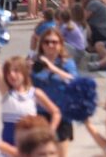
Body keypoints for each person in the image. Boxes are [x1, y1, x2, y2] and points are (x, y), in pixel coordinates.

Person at [0, 52, 60, 146]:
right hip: (9, 144)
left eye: (16, 71)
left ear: (24, 72)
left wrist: (50, 131)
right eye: (8, 72)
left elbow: (56, 112)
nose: (12, 75)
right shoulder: (7, 92)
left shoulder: (35, 93)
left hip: (29, 143)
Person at [31, 28, 77, 156]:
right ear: (42, 45)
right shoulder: (36, 63)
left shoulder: (67, 63)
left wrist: (52, 68)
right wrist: (26, 69)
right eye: (46, 42)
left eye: (54, 42)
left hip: (62, 114)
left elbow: (74, 81)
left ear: (60, 44)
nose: (50, 45)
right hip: (40, 115)